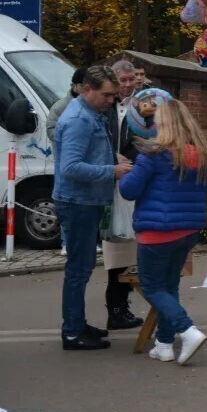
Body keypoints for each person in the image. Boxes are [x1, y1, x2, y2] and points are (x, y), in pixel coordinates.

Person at [118, 99, 207, 364]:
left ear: (162, 123)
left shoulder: (152, 155)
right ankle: (164, 344)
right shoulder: (202, 154)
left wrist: (124, 173)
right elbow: (206, 191)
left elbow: (129, 191)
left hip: (157, 232)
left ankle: (187, 330)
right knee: (169, 286)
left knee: (152, 287)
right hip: (188, 230)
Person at [54, 66, 132, 350]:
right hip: (78, 203)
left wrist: (112, 159)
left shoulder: (89, 113)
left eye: (113, 95)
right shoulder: (79, 120)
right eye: (106, 95)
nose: (111, 100)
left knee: (82, 267)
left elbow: (88, 155)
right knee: (78, 270)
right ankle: (73, 333)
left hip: (85, 202)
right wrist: (112, 170)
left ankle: (77, 323)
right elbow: (71, 167)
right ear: (87, 89)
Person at [102, 59, 143, 331]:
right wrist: (110, 157)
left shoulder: (144, 104)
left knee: (132, 248)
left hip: (133, 178)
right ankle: (116, 309)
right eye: (123, 80)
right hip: (109, 182)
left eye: (131, 79)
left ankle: (122, 306)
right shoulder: (105, 105)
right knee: (116, 250)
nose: (128, 85)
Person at [48, 67, 87, 256]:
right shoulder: (60, 106)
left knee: (86, 203)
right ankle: (66, 242)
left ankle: (90, 240)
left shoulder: (94, 106)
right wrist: (72, 139)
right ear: (75, 85)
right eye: (83, 85)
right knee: (67, 201)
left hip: (86, 163)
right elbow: (51, 130)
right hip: (65, 162)